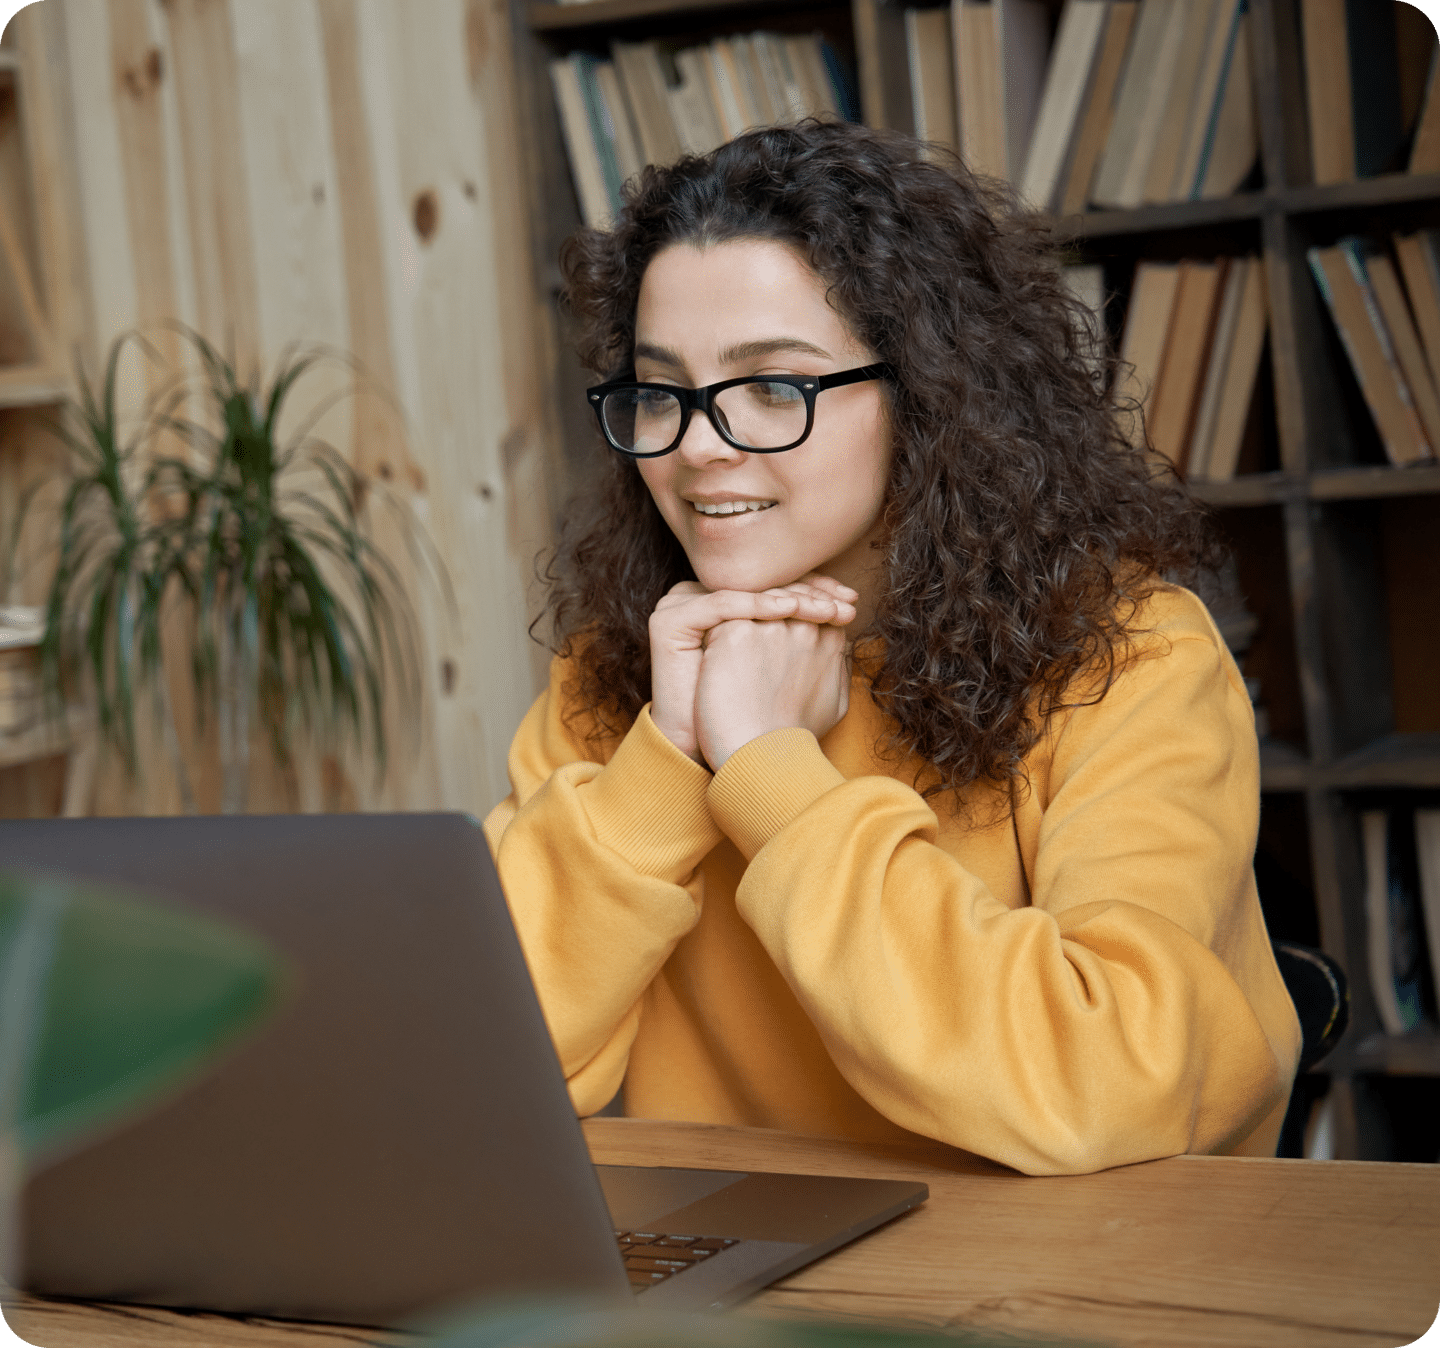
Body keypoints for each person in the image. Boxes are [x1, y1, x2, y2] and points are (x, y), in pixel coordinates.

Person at [483, 120, 1301, 1176]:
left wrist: (770, 771)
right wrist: (667, 759)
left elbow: (1108, 1079)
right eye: (660, 391)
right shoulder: (618, 678)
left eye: (773, 387)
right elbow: (476, 1071)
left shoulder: (1133, 657)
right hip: (744, 1291)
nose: (695, 446)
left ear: (926, 395)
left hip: (1065, 1280)